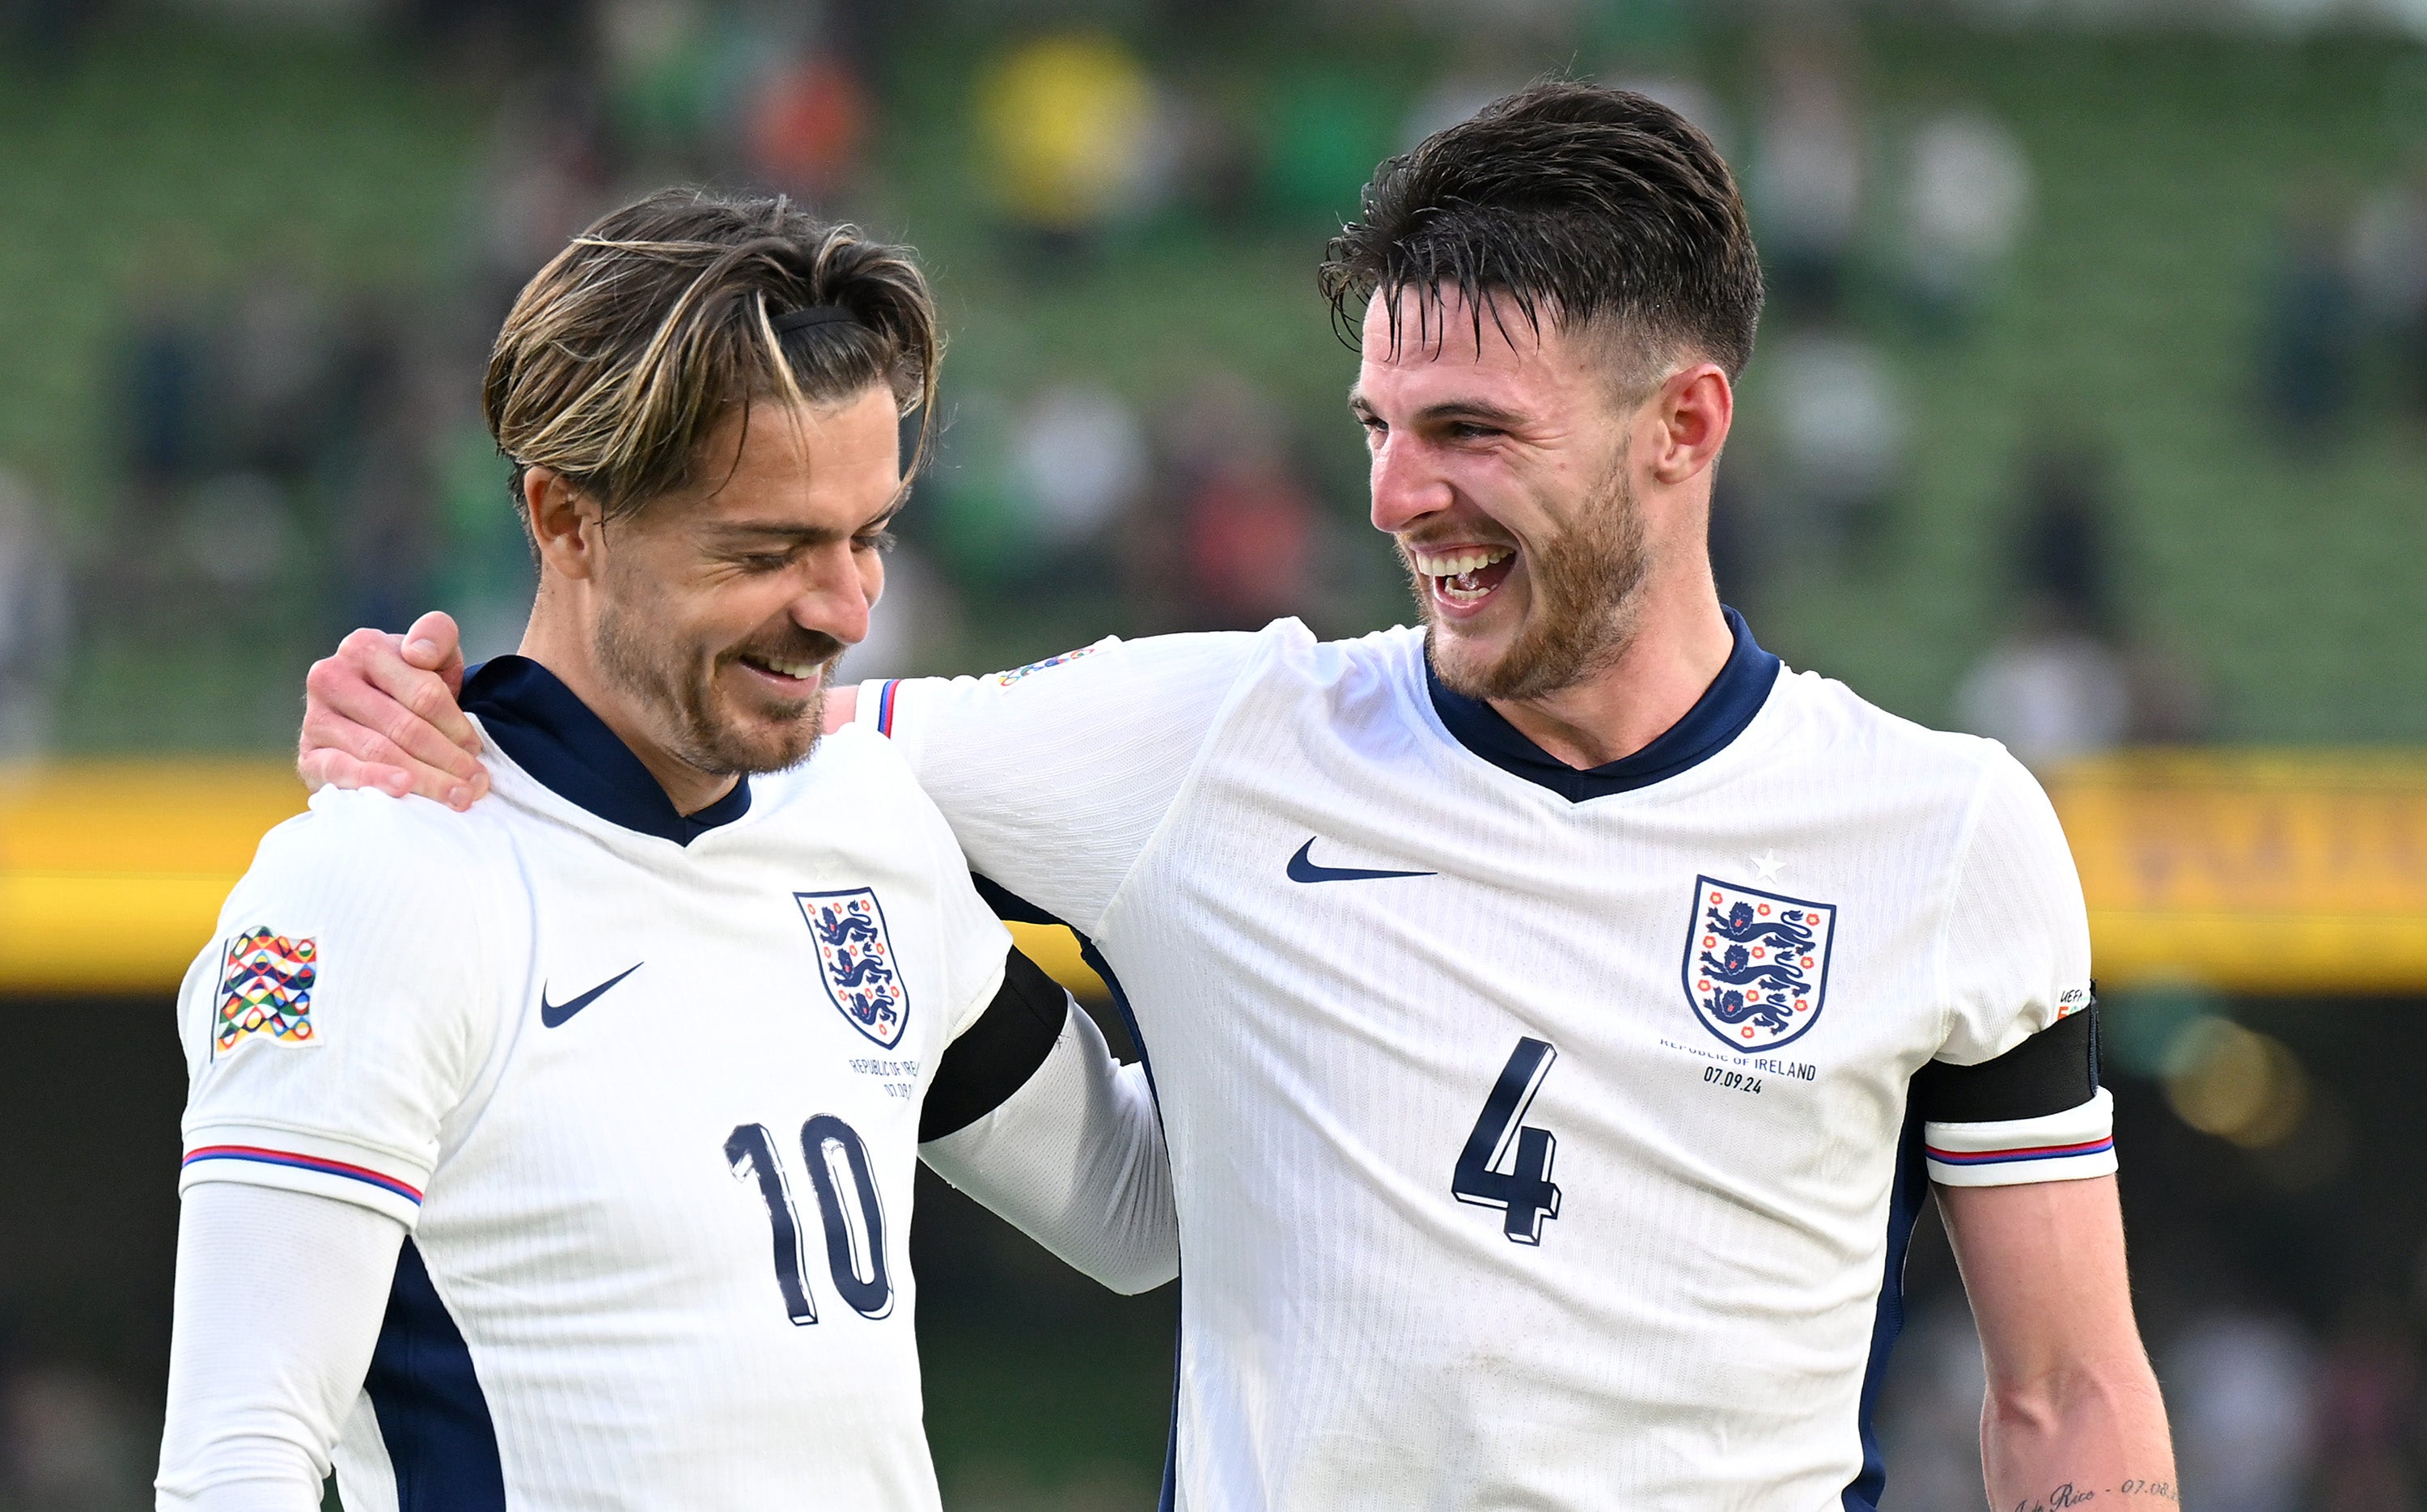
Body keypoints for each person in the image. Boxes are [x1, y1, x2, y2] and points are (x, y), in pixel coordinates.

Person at [297, 87, 2176, 1510]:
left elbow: (2067, 1402)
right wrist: (444, 702)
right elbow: (702, 719)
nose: (1399, 497)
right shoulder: (1208, 742)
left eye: (1472, 434)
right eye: (1379, 425)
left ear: (1682, 427)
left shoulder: (1943, 835)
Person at [157, 191, 1175, 1512]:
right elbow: (235, 1463)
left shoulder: (864, 820)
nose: (847, 606)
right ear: (567, 520)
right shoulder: (374, 889)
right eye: (768, 550)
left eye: (868, 536)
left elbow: (1136, 1208)